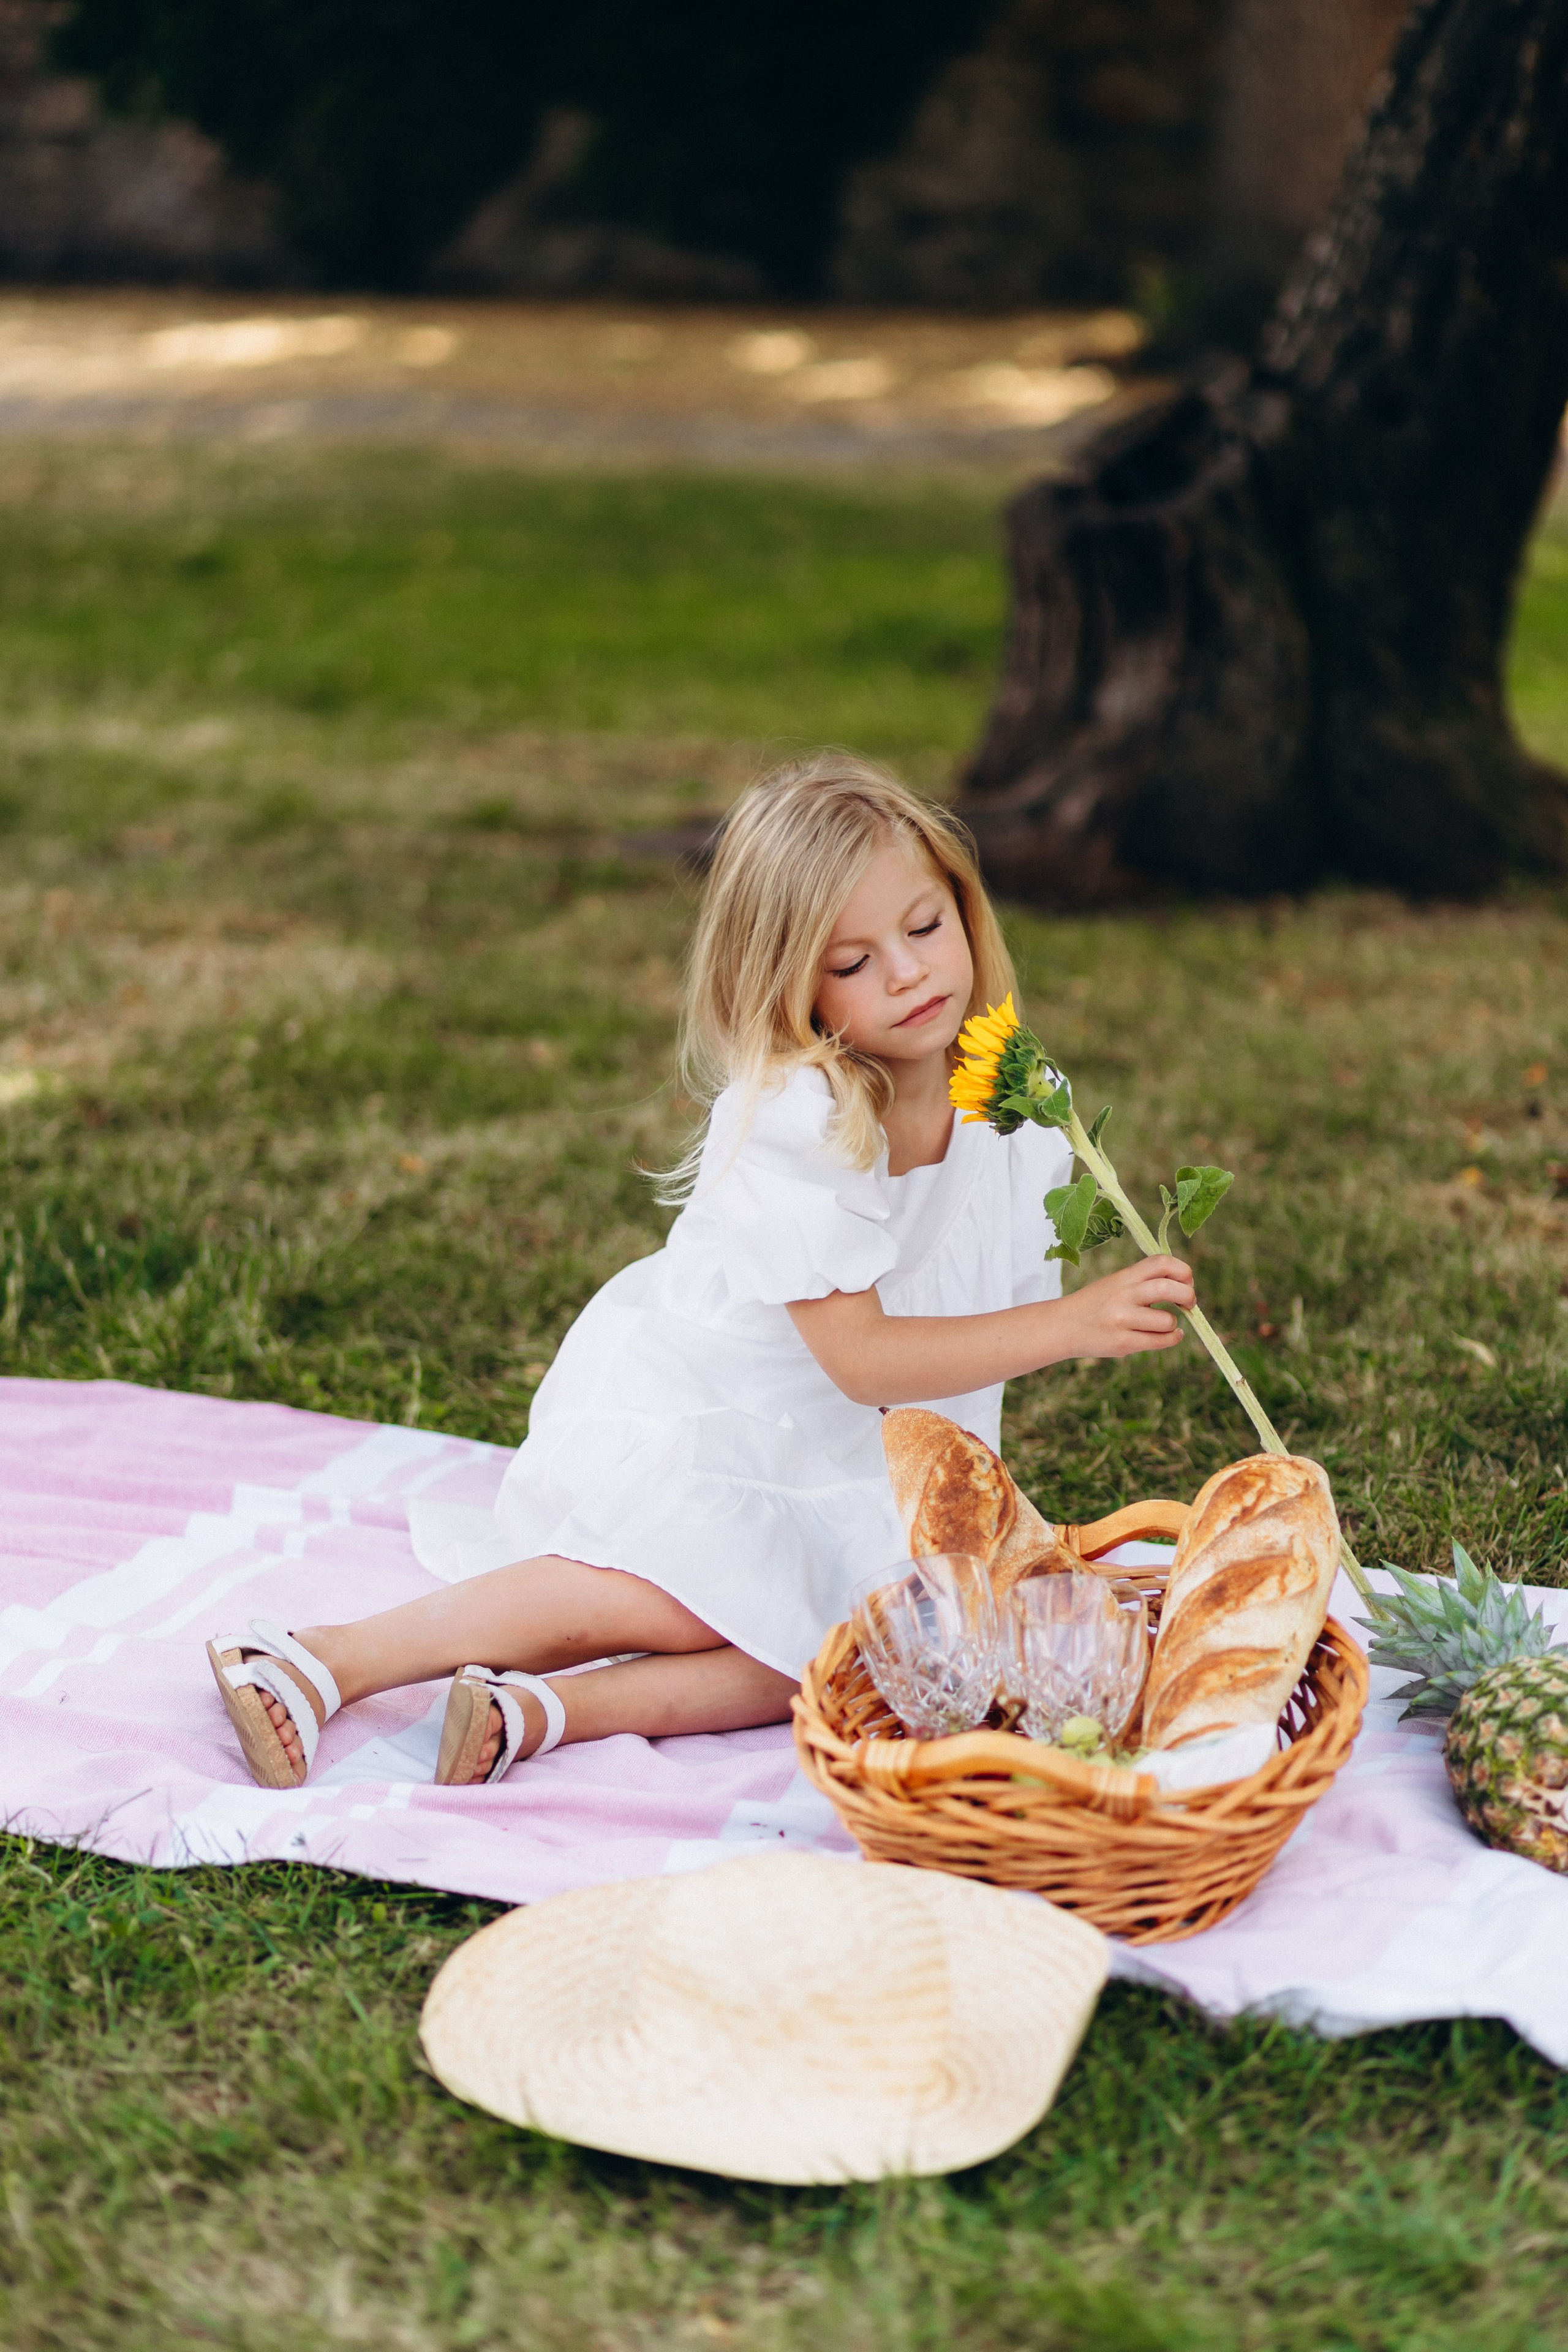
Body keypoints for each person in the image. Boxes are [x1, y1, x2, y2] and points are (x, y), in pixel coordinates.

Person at [208, 753, 1196, 1790]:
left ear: (965, 908)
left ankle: (539, 1712)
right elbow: (859, 1358)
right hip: (728, 1408)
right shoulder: (799, 1116)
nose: (907, 973)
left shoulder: (1011, 1097)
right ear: (790, 988)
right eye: (851, 963)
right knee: (680, 1592)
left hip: (860, 1455)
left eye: (924, 927)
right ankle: (320, 1656)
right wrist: (1076, 1325)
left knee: (863, 1648)